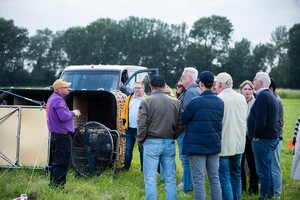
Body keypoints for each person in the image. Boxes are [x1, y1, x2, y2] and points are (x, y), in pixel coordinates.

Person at [136, 75, 182, 200]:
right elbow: (181, 123)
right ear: (164, 85)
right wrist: (174, 135)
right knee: (170, 178)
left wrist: (140, 140)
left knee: (150, 178)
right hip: (169, 141)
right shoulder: (176, 102)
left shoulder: (146, 101)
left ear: (151, 87)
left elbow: (141, 124)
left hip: (151, 142)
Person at [182, 71, 224, 200]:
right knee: (214, 178)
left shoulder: (195, 102)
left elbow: (184, 119)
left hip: (196, 146)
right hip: (213, 143)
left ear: (200, 84)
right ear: (213, 84)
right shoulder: (220, 102)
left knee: (199, 180)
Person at [214, 72, 248, 200]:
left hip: (224, 143)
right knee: (236, 173)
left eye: (216, 83)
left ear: (220, 84)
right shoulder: (241, 98)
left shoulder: (219, 99)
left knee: (224, 175)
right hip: (239, 142)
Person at [247, 72, 279, 199]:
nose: (253, 81)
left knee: (262, 170)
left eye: (254, 79)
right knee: (267, 168)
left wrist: (255, 135)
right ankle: (269, 194)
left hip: (263, 139)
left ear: (260, 82)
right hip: (269, 138)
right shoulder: (269, 95)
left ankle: (264, 196)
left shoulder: (262, 96)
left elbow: (261, 119)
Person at [46, 79, 81, 187]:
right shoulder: (58, 100)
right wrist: (73, 113)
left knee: (56, 162)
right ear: (59, 89)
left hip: (55, 135)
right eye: (66, 87)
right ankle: (59, 186)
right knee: (62, 162)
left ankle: (53, 184)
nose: (68, 89)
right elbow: (63, 116)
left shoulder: (52, 98)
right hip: (62, 137)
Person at [177, 67, 201, 194]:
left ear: (191, 78)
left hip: (186, 131)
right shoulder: (194, 90)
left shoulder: (191, 93)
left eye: (183, 76)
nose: (181, 79)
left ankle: (187, 188)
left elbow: (185, 115)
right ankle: (185, 182)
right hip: (190, 131)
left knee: (186, 160)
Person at [122, 82, 147, 171]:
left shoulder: (147, 99)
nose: (137, 89)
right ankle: (126, 167)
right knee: (128, 149)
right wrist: (124, 123)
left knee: (142, 150)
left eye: (139, 88)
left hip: (141, 129)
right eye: (135, 88)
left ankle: (144, 169)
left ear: (143, 88)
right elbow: (124, 111)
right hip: (130, 128)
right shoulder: (129, 98)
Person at [239, 80, 259, 194]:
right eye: (245, 89)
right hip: (240, 137)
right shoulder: (239, 102)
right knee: (240, 163)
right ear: (241, 90)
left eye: (249, 89)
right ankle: (241, 187)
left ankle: (253, 188)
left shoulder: (255, 103)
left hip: (251, 137)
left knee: (252, 163)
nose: (247, 91)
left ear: (253, 90)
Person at [269, 78, 284, 198]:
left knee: (275, 167)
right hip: (273, 138)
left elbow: (277, 123)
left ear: (270, 89)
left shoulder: (276, 100)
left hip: (275, 138)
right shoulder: (273, 99)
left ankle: (277, 193)